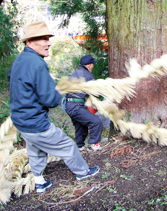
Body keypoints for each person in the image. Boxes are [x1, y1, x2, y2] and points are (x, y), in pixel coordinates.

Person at [9, 21, 99, 194]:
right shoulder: (37, 63)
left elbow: (15, 84)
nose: (48, 42)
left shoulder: (19, 61)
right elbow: (51, 100)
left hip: (21, 122)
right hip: (35, 123)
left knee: (34, 150)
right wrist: (56, 91)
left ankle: (39, 182)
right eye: (42, 39)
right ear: (29, 42)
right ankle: (83, 172)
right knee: (67, 145)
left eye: (48, 38)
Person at [65, 55, 106, 151]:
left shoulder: (76, 73)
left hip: (69, 105)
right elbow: (96, 92)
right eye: (92, 65)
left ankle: (80, 145)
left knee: (81, 125)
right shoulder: (87, 75)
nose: (93, 67)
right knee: (96, 122)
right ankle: (94, 144)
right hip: (76, 106)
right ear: (89, 65)